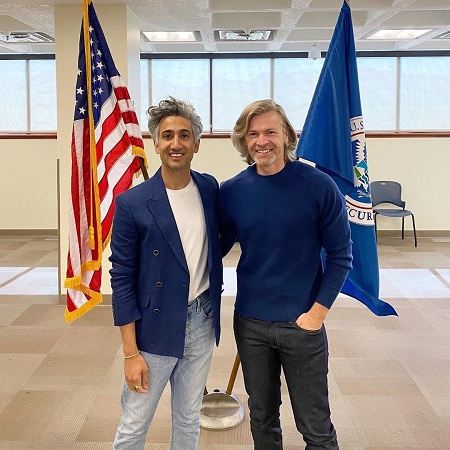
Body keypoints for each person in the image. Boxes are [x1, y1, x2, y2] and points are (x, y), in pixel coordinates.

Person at [219, 99, 352, 450]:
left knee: (315, 427)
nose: (262, 141)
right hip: (250, 324)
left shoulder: (319, 186)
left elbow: (341, 256)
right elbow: (212, 249)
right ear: (244, 141)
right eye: (253, 134)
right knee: (262, 419)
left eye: (270, 132)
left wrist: (317, 313)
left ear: (288, 135)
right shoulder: (233, 192)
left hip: (302, 324)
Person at [110, 96, 222, 450]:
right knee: (135, 422)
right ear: (155, 143)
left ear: (197, 144)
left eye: (185, 135)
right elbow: (122, 277)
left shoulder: (209, 188)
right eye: (168, 135)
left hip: (201, 321)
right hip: (153, 328)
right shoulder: (133, 203)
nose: (177, 143)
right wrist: (130, 352)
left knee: (189, 419)